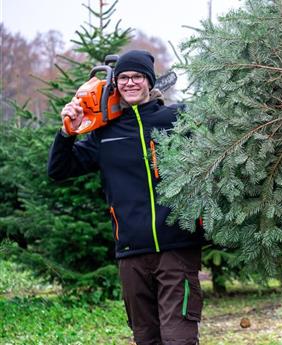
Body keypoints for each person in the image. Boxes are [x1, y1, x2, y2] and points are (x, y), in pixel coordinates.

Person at [48, 50, 205, 345]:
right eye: (123, 78)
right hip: (131, 254)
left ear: (149, 82)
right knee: (145, 338)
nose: (130, 83)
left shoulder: (175, 119)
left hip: (177, 248)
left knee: (179, 338)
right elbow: (58, 170)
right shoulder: (104, 135)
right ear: (115, 84)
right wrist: (68, 131)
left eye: (137, 77)